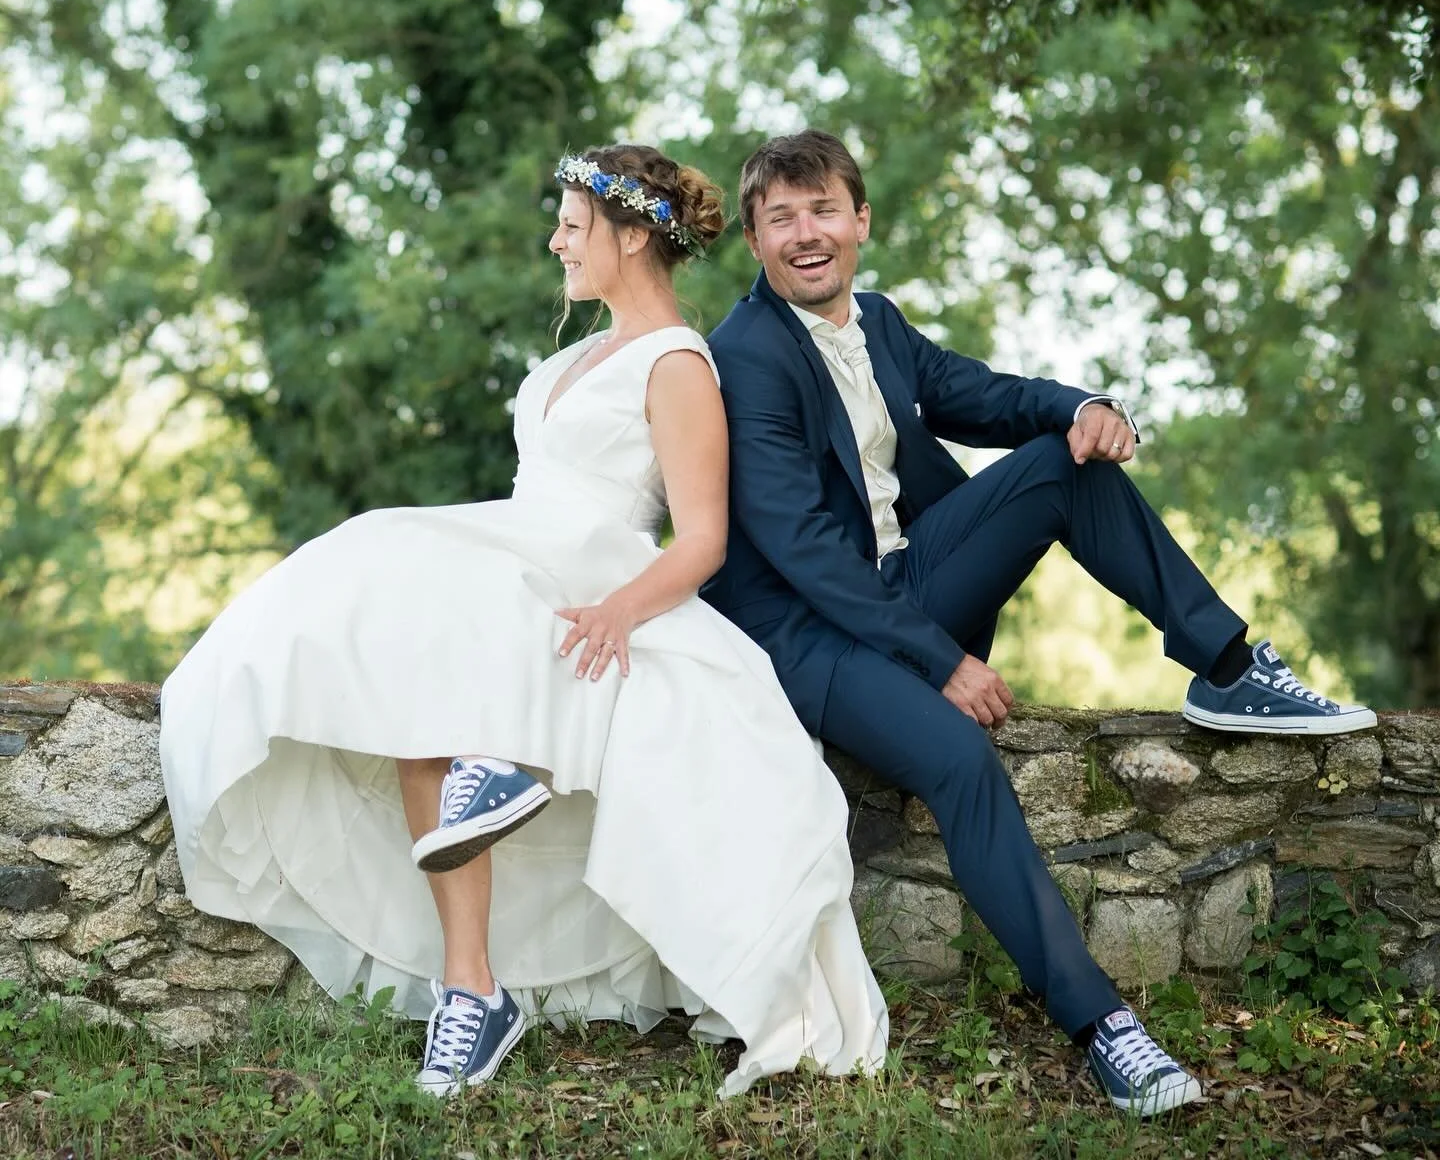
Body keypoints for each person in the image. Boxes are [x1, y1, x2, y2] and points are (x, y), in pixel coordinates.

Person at [159, 144, 888, 1100]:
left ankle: (502, 775)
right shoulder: (576, 356)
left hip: (595, 574)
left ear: (631, 238)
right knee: (399, 650)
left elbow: (702, 538)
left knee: (424, 596)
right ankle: (474, 988)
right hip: (515, 555)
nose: (557, 242)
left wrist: (619, 613)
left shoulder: (678, 364)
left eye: (574, 228)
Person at [702, 128, 1376, 1117]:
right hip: (811, 633)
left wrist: (1089, 404)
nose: (808, 234)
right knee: (962, 762)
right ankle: (1104, 1024)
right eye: (782, 218)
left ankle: (1228, 667)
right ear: (756, 242)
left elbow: (981, 394)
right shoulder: (745, 354)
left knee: (1068, 458)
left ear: (860, 221)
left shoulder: (879, 323)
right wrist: (941, 662)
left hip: (906, 581)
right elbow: (801, 550)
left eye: (824, 211)